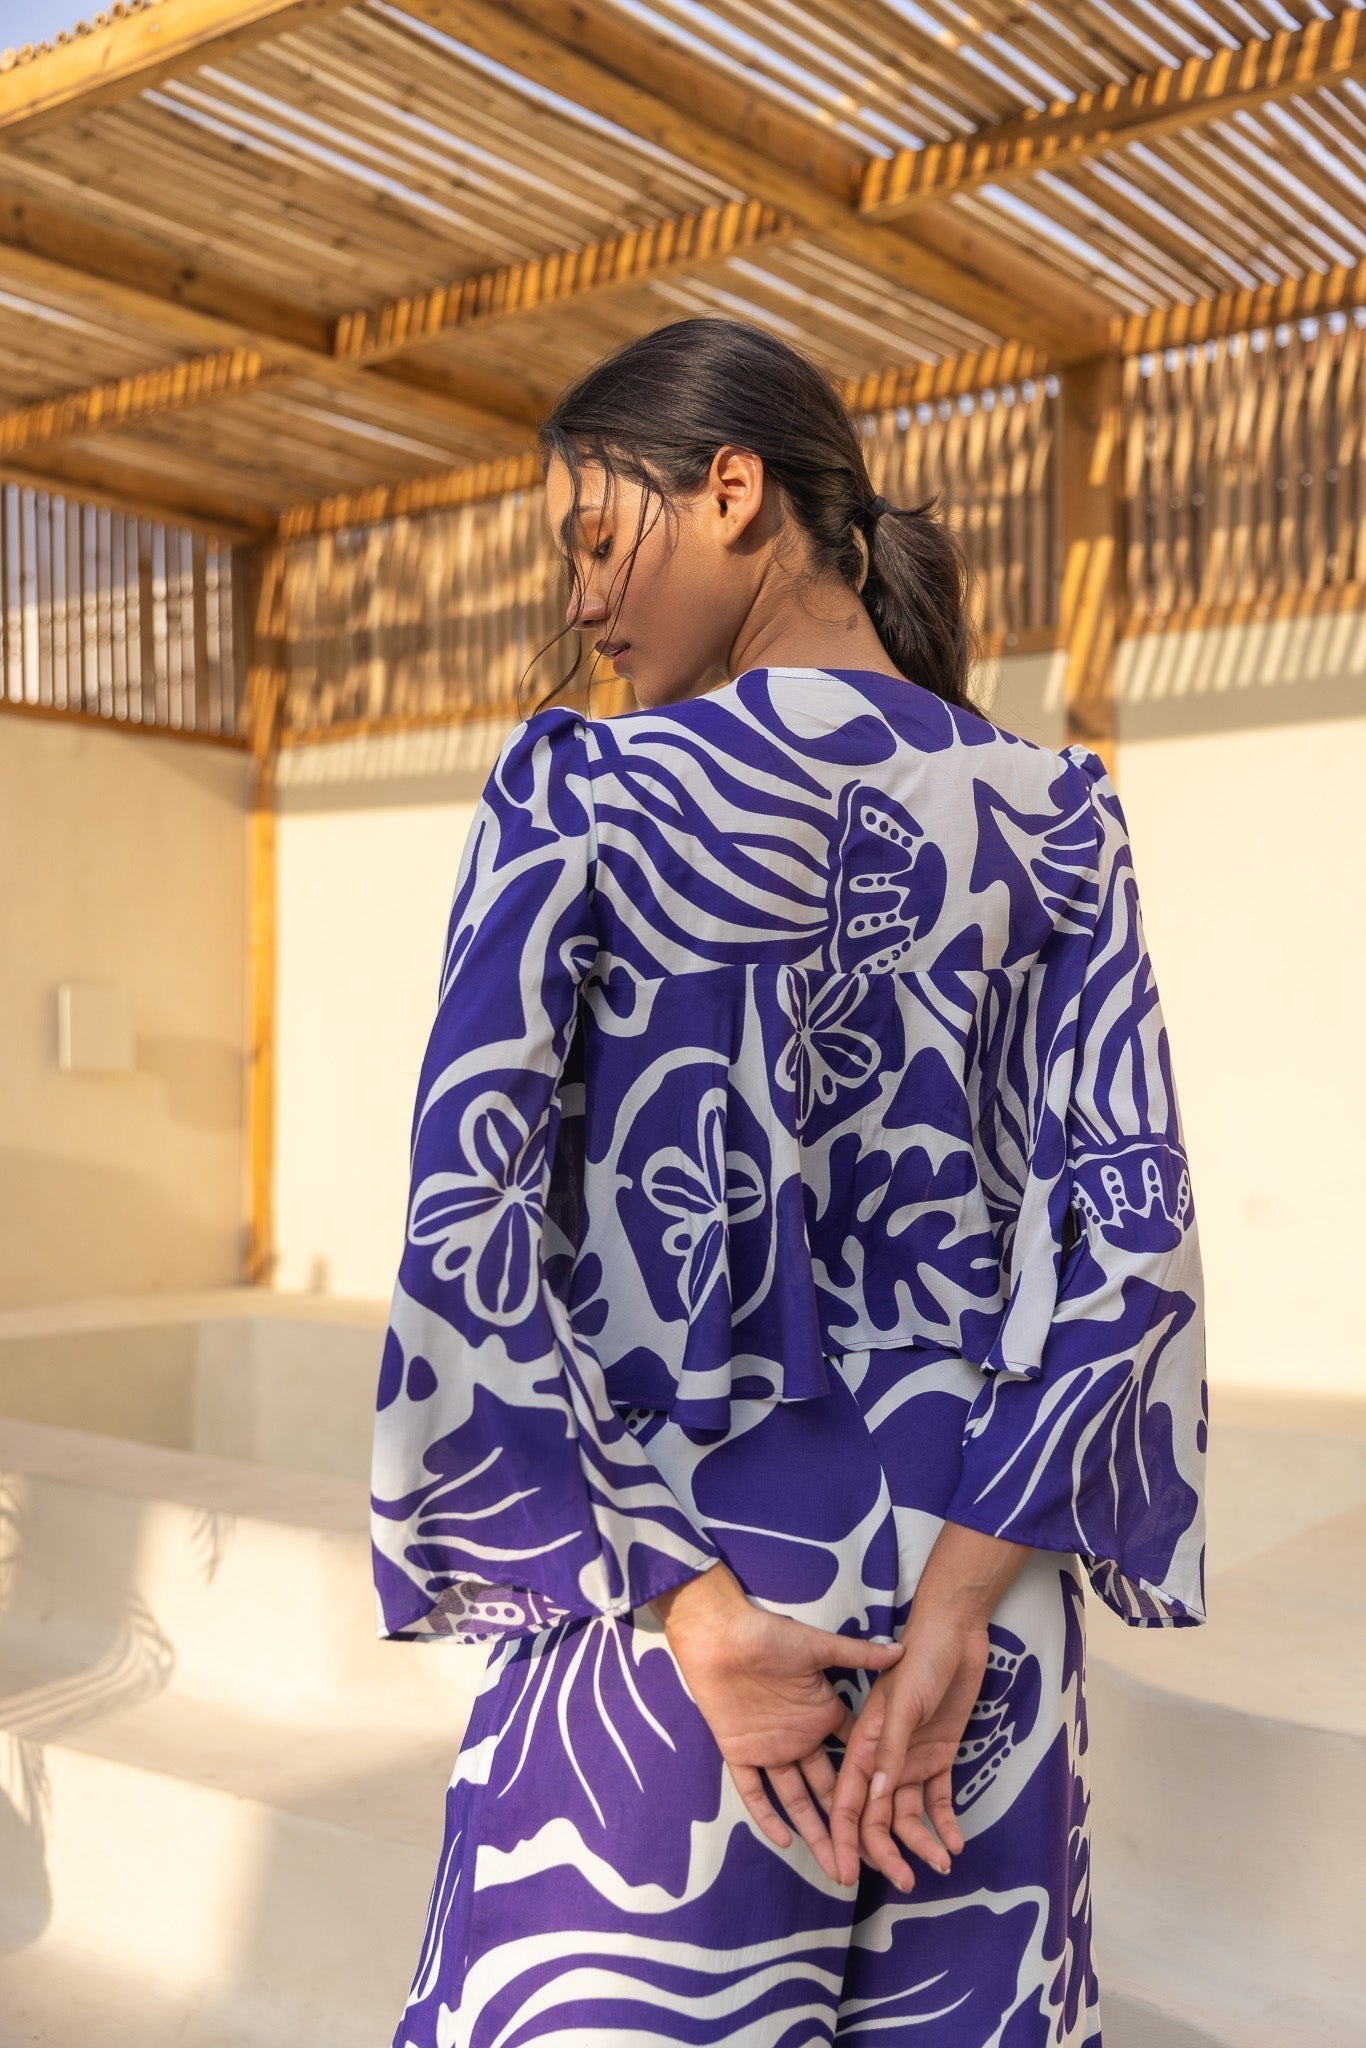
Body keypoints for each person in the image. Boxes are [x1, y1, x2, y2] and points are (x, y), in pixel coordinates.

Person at [370, 316, 1206, 2047]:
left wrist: (683, 1607)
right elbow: (1124, 1234)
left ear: (731, 491)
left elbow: (467, 1229)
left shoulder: (584, 792)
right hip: (978, 1637)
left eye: (596, 537)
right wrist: (960, 1610)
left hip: (673, 1613)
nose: (583, 603)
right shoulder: (1055, 815)